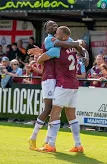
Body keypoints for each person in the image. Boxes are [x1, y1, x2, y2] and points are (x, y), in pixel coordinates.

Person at [27, 21, 88, 151]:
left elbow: (40, 58)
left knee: (54, 112)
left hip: (62, 83)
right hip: (74, 83)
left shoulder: (56, 49)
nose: (56, 34)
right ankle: (78, 145)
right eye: (55, 31)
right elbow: (80, 47)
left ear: (64, 36)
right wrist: (83, 52)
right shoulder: (72, 47)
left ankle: (50, 144)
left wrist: (42, 56)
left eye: (58, 33)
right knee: (71, 114)